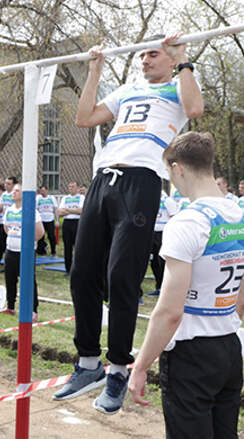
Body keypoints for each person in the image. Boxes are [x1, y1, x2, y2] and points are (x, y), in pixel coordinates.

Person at [54, 33, 204, 414]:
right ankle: (88, 363)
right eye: (142, 55)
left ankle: (118, 368)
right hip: (103, 180)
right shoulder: (128, 89)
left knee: (122, 276)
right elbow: (84, 117)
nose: (144, 60)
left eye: (153, 54)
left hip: (141, 181)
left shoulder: (177, 86)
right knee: (82, 272)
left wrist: (183, 58)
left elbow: (196, 108)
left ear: (169, 59)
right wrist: (94, 71)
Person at [129, 132, 243, 438]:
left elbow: (170, 312)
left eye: (169, 173)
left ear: (178, 168)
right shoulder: (239, 214)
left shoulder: (188, 221)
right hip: (230, 346)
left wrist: (140, 366)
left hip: (192, 352)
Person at [2, 183, 44, 322]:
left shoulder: (31, 210)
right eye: (13, 191)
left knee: (29, 281)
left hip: (25, 252)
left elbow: (40, 232)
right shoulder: (9, 210)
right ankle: (11, 306)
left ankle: (33, 310)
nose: (13, 193)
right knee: (10, 279)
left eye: (17, 191)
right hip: (10, 250)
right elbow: (6, 228)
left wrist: (27, 242)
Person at [146, 189, 178, 297]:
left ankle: (166, 288)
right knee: (154, 261)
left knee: (162, 261)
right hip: (152, 232)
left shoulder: (167, 200)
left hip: (163, 232)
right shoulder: (151, 198)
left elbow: (174, 216)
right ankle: (159, 286)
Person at [57, 181, 84, 275]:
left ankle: (78, 269)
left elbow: (81, 210)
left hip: (77, 223)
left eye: (73, 186)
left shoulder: (81, 197)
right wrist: (73, 210)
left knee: (78, 247)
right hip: (67, 223)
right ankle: (68, 269)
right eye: (69, 186)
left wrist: (67, 210)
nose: (71, 188)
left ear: (77, 188)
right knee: (67, 247)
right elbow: (59, 212)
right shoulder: (65, 198)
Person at [0, 177, 15, 269]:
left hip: (13, 223)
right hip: (4, 222)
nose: (6, 185)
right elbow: (1, 207)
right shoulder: (3, 195)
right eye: (5, 183)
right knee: (0, 243)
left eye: (9, 184)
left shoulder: (15, 195)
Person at [36, 184, 58, 256]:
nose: (42, 192)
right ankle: (41, 251)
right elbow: (36, 209)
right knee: (41, 236)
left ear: (47, 190)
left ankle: (53, 251)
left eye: (44, 190)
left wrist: (57, 220)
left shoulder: (51, 198)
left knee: (51, 236)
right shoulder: (38, 198)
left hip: (50, 219)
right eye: (41, 191)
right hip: (41, 220)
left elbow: (55, 209)